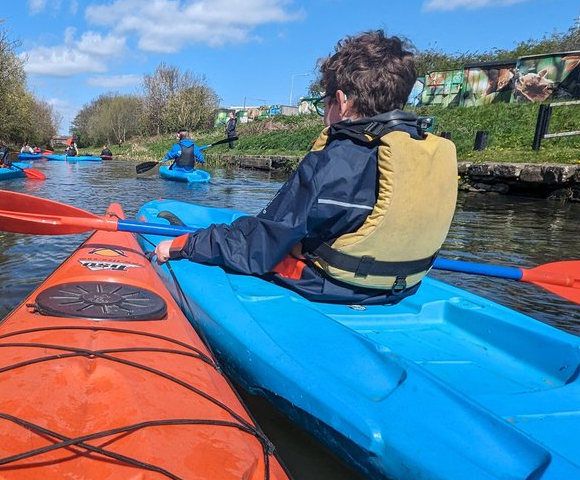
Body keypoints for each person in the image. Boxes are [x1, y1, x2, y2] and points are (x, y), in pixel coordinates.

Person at [155, 30, 458, 306]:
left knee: (246, 246)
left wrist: (186, 244)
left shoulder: (336, 160)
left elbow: (258, 247)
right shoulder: (427, 150)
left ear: (341, 102)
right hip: (405, 285)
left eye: (324, 103)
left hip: (331, 286)